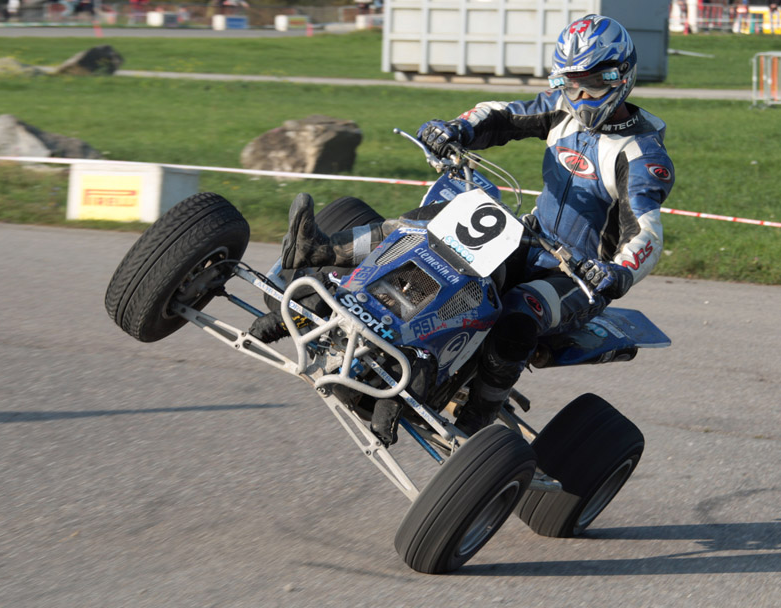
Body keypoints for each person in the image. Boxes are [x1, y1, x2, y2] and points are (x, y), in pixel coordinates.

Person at [255, 14, 675, 439]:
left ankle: (478, 419)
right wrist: (453, 129)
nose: (580, 96)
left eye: (592, 85)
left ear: (619, 77)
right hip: (527, 240)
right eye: (570, 83)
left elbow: (646, 232)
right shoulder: (560, 106)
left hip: (577, 276)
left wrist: (615, 272)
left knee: (518, 313)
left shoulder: (640, 155)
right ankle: (324, 253)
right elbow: (500, 115)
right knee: (435, 229)